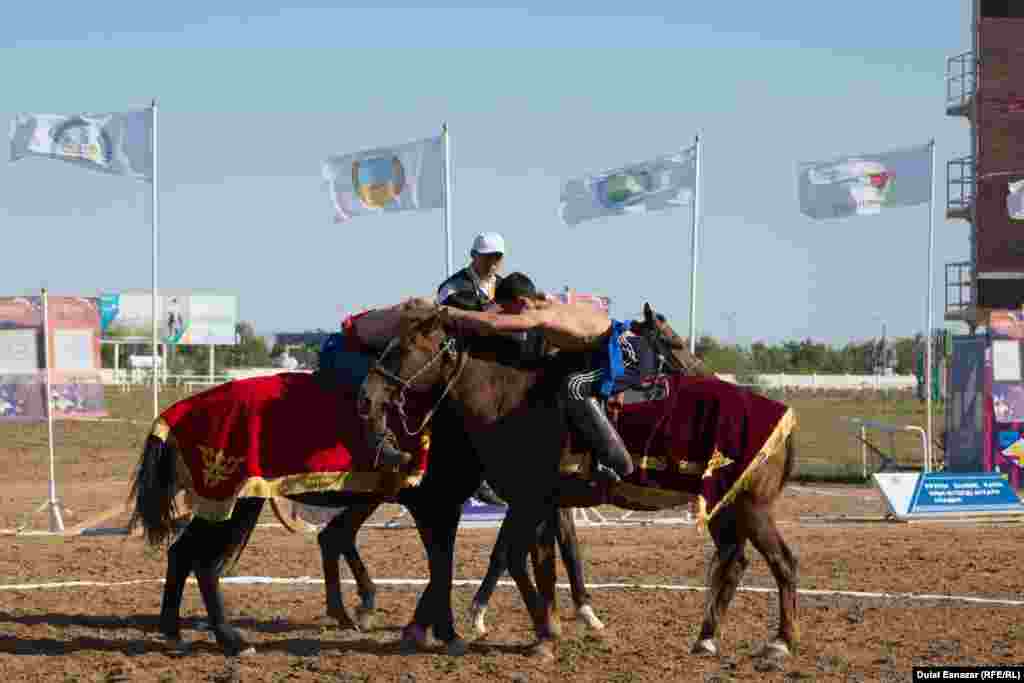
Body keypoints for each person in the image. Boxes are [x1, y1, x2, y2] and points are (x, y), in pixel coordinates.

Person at [441, 272, 658, 483]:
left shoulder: (540, 314)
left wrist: (450, 312)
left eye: (508, 309)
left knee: (574, 386)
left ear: (523, 301)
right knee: (547, 373)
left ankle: (616, 462)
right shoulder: (546, 303)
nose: (507, 314)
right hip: (600, 351)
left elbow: (492, 323)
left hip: (629, 353)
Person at [436, 232, 506, 310]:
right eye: (487, 256)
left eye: (498, 257)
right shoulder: (451, 287)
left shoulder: (505, 286)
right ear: (473, 254)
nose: (492, 262)